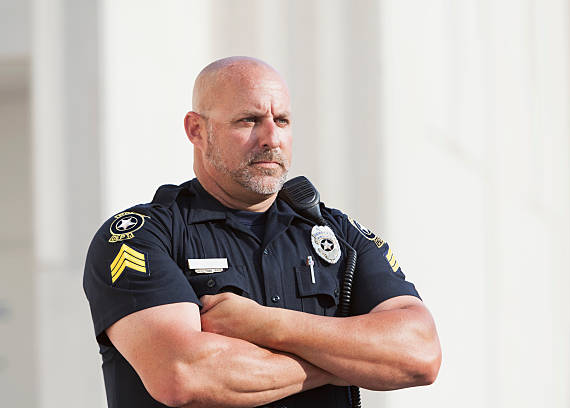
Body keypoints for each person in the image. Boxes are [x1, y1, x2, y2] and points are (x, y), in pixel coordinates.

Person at [83, 56, 441, 408]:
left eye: (282, 120)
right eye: (249, 120)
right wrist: (348, 364)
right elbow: (184, 374)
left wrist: (267, 325)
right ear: (196, 130)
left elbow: (419, 353)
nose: (271, 137)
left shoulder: (337, 233)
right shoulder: (140, 237)